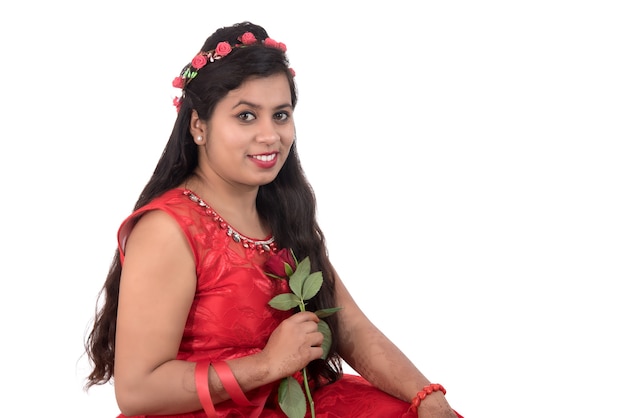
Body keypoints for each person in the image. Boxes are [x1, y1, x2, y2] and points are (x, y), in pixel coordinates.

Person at [84, 21, 463, 418]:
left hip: (294, 404)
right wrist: (266, 365)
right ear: (199, 125)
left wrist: (428, 398)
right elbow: (137, 391)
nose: (270, 135)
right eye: (246, 116)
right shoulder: (167, 230)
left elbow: (349, 325)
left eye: (280, 115)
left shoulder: (281, 211)